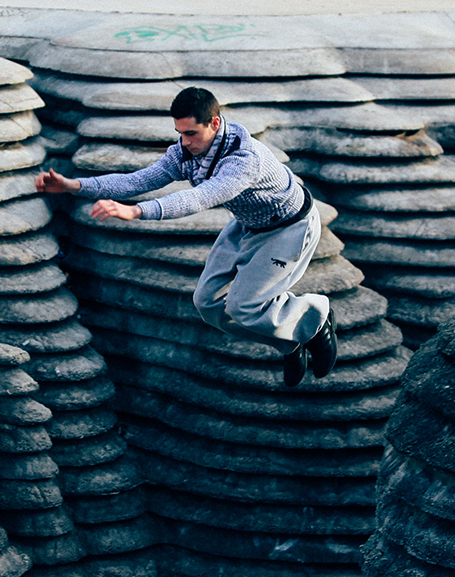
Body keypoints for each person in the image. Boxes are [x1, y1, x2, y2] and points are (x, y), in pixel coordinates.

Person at [35, 86, 338, 386]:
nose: (184, 141)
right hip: (247, 225)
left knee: (242, 306)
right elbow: (137, 180)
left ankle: (316, 315)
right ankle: (290, 343)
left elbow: (199, 198)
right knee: (207, 303)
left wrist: (137, 211)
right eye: (180, 133)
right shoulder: (186, 152)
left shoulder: (244, 160)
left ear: (214, 123)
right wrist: (73, 186)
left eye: (191, 133)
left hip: (288, 227)